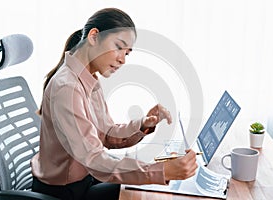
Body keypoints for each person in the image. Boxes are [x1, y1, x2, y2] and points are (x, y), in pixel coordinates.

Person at [31, 7, 198, 200]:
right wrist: (162, 171)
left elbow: (106, 134)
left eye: (127, 53)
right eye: (119, 47)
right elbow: (93, 159)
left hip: (85, 179)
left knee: (146, 191)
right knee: (146, 195)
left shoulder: (89, 78)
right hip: (66, 192)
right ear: (94, 36)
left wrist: (143, 125)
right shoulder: (67, 88)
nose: (122, 59)